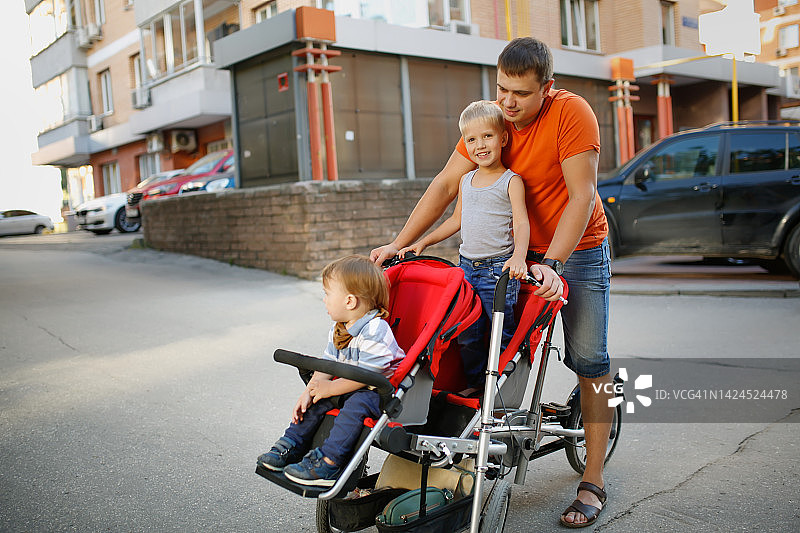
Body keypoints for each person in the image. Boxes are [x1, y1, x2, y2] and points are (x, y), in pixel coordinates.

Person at [370, 37, 614, 528]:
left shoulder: (572, 114)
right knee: (489, 346)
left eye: (520, 94)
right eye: (501, 88)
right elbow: (444, 185)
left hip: (577, 249)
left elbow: (581, 196)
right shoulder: (494, 123)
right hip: (510, 257)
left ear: (548, 88)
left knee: (590, 359)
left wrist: (554, 263)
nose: (507, 102)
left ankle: (593, 479)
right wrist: (399, 243)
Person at [398, 100, 529, 396]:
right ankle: (477, 387)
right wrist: (422, 242)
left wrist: (519, 256)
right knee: (468, 332)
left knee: (500, 335)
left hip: (498, 271)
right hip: (466, 268)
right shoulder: (466, 180)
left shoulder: (511, 182)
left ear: (503, 138)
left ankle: (500, 394)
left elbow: (521, 224)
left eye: (487, 136)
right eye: (471, 139)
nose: (480, 145)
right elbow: (456, 220)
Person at [257, 255, 405, 487]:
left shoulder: (376, 328)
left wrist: (331, 387)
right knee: (318, 398)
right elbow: (328, 363)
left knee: (356, 403)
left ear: (349, 301)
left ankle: (328, 462)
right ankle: (291, 444)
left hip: (381, 392)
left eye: (327, 294)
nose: (324, 300)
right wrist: (311, 390)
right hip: (351, 385)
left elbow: (370, 373)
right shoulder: (340, 329)